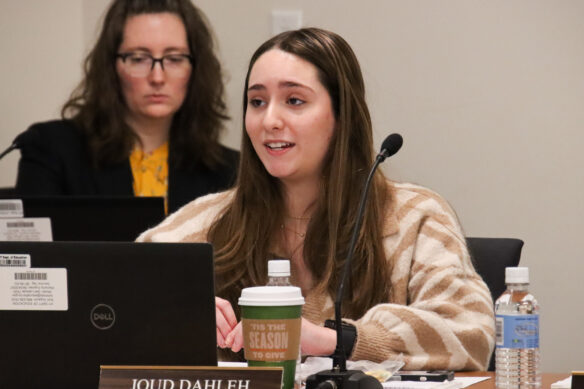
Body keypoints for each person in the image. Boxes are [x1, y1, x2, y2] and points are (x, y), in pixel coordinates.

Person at [137, 28, 495, 370]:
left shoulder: (414, 216)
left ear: (342, 118)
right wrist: (172, 311)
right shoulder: (207, 219)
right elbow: (112, 300)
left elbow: (470, 331)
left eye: (294, 100)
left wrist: (332, 339)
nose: (269, 120)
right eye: (257, 102)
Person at [15, 0, 238, 214]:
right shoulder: (51, 149)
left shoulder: (230, 171)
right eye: (139, 59)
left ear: (195, 69)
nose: (157, 77)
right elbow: (31, 252)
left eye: (174, 58)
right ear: (111, 68)